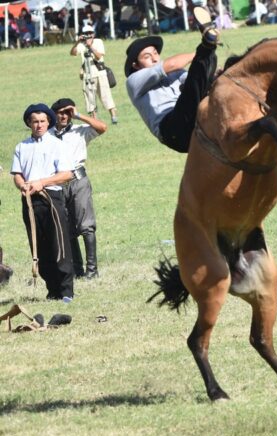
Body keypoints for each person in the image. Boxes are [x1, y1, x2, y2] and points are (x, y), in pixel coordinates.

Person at [125, 7, 222, 153]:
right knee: (199, 70)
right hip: (173, 131)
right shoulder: (133, 81)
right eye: (147, 57)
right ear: (136, 65)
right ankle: (208, 44)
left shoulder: (174, 73)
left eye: (155, 53)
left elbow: (194, 82)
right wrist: (203, 50)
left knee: (204, 77)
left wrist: (214, 76)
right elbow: (172, 64)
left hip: (193, 118)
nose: (154, 58)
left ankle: (210, 47)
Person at [10, 104, 75, 302]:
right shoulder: (22, 147)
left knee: (59, 245)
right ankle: (52, 290)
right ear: (29, 123)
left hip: (51, 199)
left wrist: (42, 183)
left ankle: (66, 291)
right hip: (30, 201)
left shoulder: (57, 145)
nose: (39, 125)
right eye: (35, 121)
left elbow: (66, 174)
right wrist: (22, 185)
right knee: (38, 246)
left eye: (42, 121)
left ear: (48, 122)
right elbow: (17, 174)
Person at [51, 98, 106, 279]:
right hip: (57, 183)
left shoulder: (80, 131)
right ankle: (77, 269)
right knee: (66, 227)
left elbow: (102, 128)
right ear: (54, 114)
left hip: (78, 180)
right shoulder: (48, 135)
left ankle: (92, 269)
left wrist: (80, 115)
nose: (65, 116)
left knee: (86, 225)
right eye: (61, 112)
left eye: (68, 112)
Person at [71, 23, 118, 124]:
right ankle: (94, 120)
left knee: (106, 96)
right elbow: (72, 53)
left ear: (93, 33)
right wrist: (77, 42)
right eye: (86, 33)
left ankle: (114, 116)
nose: (88, 35)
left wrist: (90, 46)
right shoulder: (81, 44)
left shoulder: (98, 42)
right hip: (87, 75)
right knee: (89, 99)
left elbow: (99, 56)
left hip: (99, 72)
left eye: (90, 33)